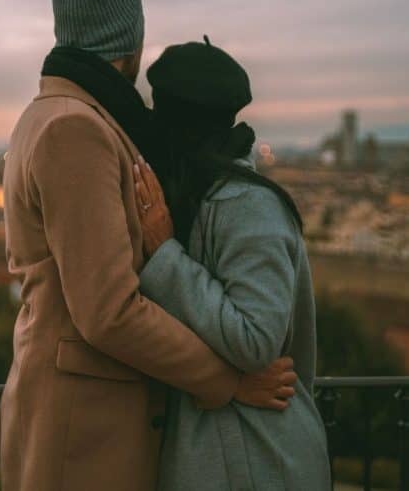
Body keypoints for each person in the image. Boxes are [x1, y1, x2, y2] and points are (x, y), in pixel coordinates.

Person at [0, 0, 297, 491]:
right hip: (86, 427)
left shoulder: (50, 115)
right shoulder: (77, 130)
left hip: (78, 416)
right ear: (128, 43)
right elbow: (109, 311)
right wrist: (225, 381)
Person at [133, 37, 332, 490]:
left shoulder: (247, 204)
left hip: (256, 457)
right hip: (237, 453)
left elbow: (256, 339)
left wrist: (166, 258)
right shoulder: (210, 196)